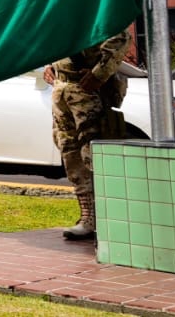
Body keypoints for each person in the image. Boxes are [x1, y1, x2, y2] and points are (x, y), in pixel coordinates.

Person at [45, 29, 131, 241]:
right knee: (69, 152)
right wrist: (49, 65)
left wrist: (99, 74)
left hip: (88, 89)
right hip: (62, 87)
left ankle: (110, 217)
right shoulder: (64, 11)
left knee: (94, 153)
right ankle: (87, 217)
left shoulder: (96, 4)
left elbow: (121, 36)